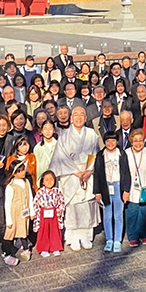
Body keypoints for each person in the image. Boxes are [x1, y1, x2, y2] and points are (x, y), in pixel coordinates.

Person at [52, 106, 100, 251]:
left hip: (87, 173)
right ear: (71, 118)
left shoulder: (92, 134)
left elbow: (95, 154)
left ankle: (86, 236)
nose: (79, 117)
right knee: (72, 206)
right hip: (71, 175)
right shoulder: (65, 135)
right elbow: (61, 156)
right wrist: (76, 172)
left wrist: (89, 171)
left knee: (86, 204)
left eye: (82, 115)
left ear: (86, 118)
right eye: (76, 115)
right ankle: (72, 237)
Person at [93, 131, 130, 253]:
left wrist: (126, 190)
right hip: (105, 187)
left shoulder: (122, 154)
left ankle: (117, 240)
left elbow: (126, 173)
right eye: (107, 141)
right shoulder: (100, 155)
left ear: (117, 141)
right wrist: (97, 191)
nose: (110, 143)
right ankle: (109, 239)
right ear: (104, 142)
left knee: (118, 215)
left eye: (113, 140)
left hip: (118, 185)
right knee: (107, 215)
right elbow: (97, 175)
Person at [124, 129, 146, 247]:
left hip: (145, 186)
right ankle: (133, 236)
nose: (138, 143)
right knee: (132, 212)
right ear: (131, 141)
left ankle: (145, 235)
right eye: (135, 140)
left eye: (140, 140)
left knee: (144, 212)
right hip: (130, 187)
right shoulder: (126, 153)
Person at [2, 160, 35, 265]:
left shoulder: (26, 182)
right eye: (19, 171)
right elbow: (7, 204)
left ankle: (26, 249)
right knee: (10, 234)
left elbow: (30, 197)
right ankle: (7, 254)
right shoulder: (10, 186)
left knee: (24, 231)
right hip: (14, 213)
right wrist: (9, 220)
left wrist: (32, 211)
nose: (23, 172)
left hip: (24, 212)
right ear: (14, 173)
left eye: (23, 170)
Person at [32, 170, 65, 257]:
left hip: (54, 213)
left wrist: (60, 209)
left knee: (55, 231)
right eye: (47, 180)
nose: (49, 181)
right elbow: (35, 203)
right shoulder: (40, 192)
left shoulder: (57, 191)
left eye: (51, 179)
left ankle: (55, 247)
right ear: (42, 181)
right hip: (43, 214)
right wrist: (35, 212)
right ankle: (43, 248)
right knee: (43, 231)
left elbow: (61, 202)